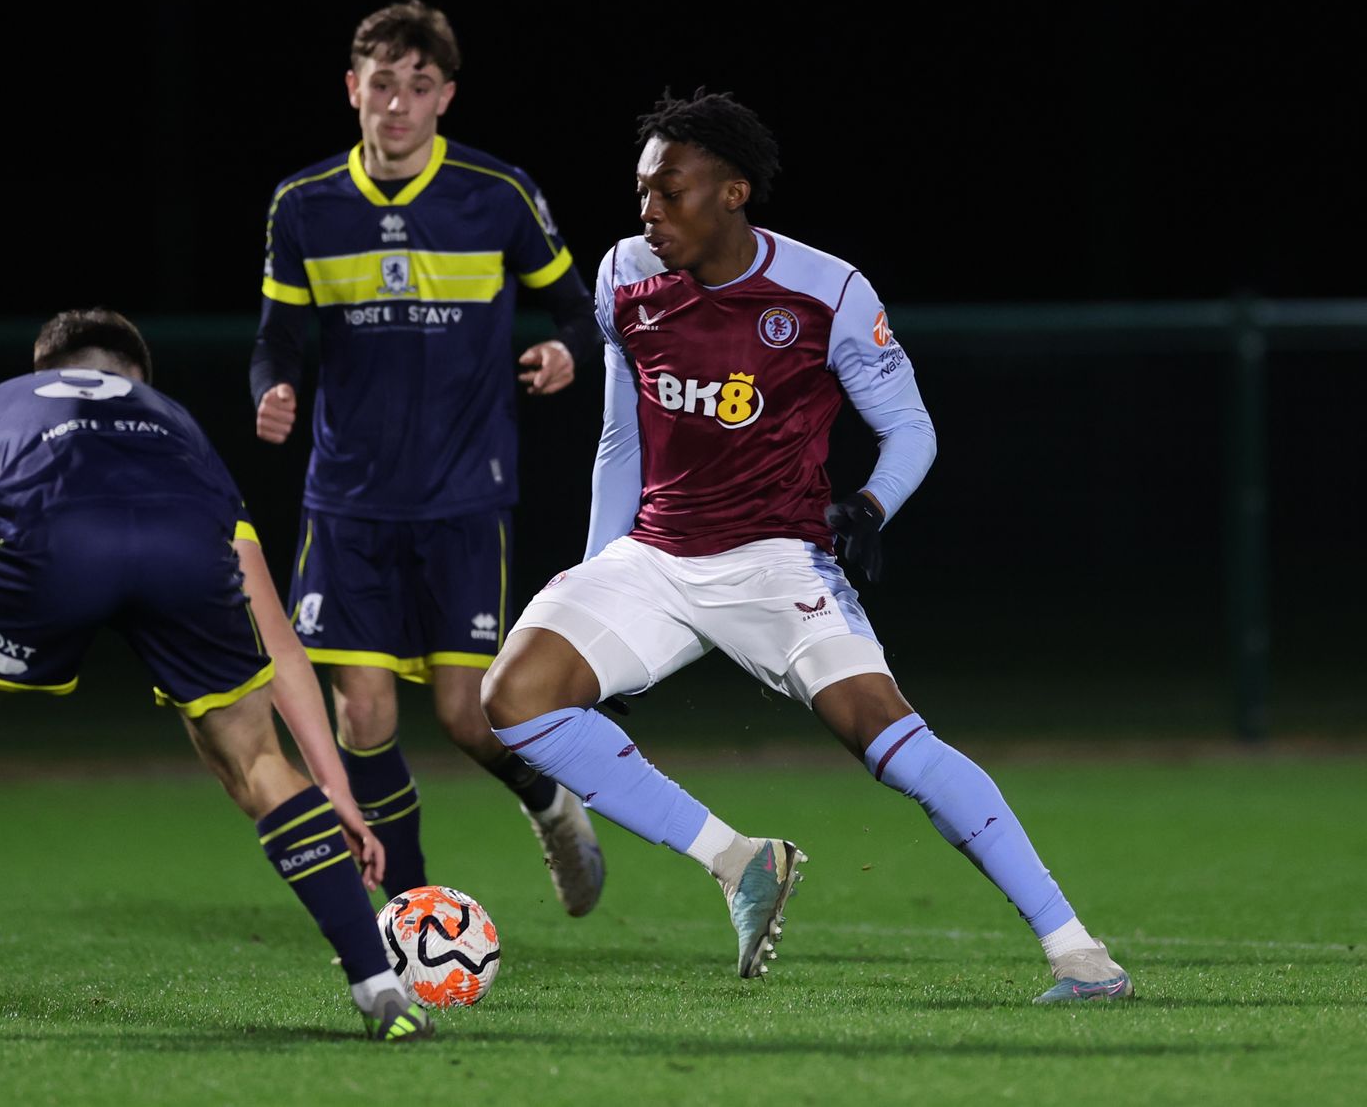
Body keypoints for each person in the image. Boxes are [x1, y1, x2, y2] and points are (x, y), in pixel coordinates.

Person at [480, 90, 1134, 1004]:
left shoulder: (827, 291)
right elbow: (620, 439)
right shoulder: (624, 275)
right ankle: (738, 860)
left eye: (670, 191)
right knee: (514, 699)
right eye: (641, 193)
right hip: (657, 557)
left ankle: (1079, 953)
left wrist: (867, 504)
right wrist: (596, 573)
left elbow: (911, 428)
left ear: (735, 192)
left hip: (778, 561)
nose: (648, 212)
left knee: (889, 739)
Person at [0, 309, 435, 1044]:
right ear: (136, 380)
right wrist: (337, 788)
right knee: (255, 759)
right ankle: (381, 990)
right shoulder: (176, 426)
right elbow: (276, 636)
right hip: (185, 550)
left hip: (58, 539)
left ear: (42, 369)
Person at [249, 0, 605, 914]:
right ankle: (411, 913)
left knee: (465, 715)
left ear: (445, 95)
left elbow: (577, 313)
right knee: (360, 711)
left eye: (418, 86)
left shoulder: (497, 194)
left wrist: (567, 351)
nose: (397, 104)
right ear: (352, 90)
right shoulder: (305, 205)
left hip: (461, 494)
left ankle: (549, 801)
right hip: (348, 501)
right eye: (381, 84)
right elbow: (277, 341)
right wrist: (272, 391)